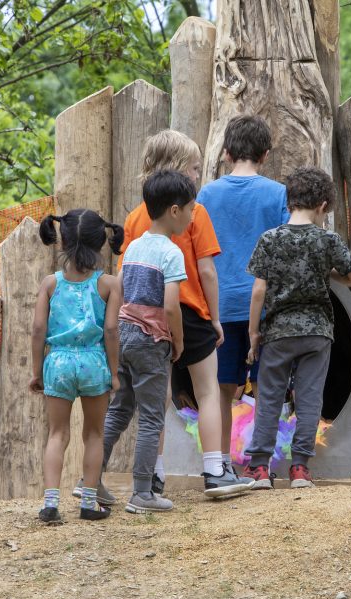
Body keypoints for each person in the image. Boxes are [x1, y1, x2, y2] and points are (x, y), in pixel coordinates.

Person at [93, 130, 252, 500]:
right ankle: (216, 470)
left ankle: (156, 474)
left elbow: (126, 271)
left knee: (156, 399)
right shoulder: (195, 211)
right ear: (180, 167)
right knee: (209, 390)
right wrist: (214, 317)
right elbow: (208, 270)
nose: (198, 176)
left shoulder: (136, 216)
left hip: (144, 315)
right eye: (195, 168)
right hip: (190, 310)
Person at [242, 167, 351, 488]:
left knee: (269, 398)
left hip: (277, 333)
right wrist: (328, 272)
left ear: (289, 201)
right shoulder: (326, 240)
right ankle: (299, 468)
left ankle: (259, 468)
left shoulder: (270, 239)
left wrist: (254, 333)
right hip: (317, 333)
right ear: (323, 206)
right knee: (311, 399)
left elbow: (258, 291)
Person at [196, 114, 290, 471]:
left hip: (218, 308)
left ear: (227, 152)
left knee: (218, 389)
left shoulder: (207, 194)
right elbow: (285, 248)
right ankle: (262, 462)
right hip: (265, 308)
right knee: (268, 386)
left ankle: (219, 463)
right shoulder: (277, 194)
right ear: (265, 154)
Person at [30, 209, 123, 523]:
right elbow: (111, 331)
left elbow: (38, 330)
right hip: (94, 363)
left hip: (57, 363)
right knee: (94, 434)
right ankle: (90, 502)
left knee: (57, 434)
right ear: (101, 243)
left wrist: (36, 371)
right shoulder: (109, 284)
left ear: (61, 239)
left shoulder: (50, 284)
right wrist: (114, 372)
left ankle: (51, 504)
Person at [111, 169, 195, 514]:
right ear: (174, 210)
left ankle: (89, 481)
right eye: (190, 208)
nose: (192, 215)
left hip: (125, 333)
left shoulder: (132, 247)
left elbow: (119, 290)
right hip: (151, 338)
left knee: (118, 411)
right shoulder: (171, 252)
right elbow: (171, 306)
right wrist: (178, 342)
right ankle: (142, 493)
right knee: (151, 417)